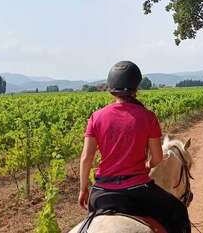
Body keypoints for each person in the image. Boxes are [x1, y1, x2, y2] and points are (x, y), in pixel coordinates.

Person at [78, 60, 191, 233]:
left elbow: (86, 158)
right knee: (179, 213)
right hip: (137, 191)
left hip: (101, 193)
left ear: (111, 88)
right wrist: (148, 165)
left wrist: (83, 189)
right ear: (136, 88)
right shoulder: (148, 117)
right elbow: (157, 158)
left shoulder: (96, 117)